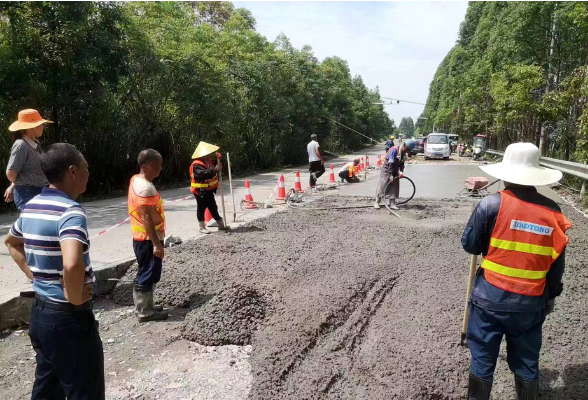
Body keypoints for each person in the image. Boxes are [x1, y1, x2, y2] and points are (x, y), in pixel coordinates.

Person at [461, 143, 571, 400]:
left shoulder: (491, 204)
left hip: (489, 300)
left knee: (483, 357)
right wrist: (550, 297)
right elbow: (556, 264)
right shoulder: (554, 211)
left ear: (505, 173)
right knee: (526, 361)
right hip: (530, 304)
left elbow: (470, 246)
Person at [4, 143, 104, 399]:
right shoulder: (71, 213)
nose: (88, 173)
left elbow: (11, 242)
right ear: (72, 171)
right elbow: (72, 263)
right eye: (86, 168)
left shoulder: (32, 206)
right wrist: (75, 297)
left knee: (48, 391)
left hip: (41, 316)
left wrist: (34, 274)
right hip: (68, 320)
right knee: (85, 392)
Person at [128, 149, 168, 322]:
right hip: (147, 239)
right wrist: (157, 244)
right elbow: (146, 217)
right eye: (160, 164)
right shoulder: (145, 188)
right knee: (148, 273)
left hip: (141, 238)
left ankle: (145, 306)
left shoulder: (136, 180)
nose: (161, 168)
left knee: (144, 270)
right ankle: (145, 311)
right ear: (152, 164)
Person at [5, 109, 51, 210]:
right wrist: (21, 183)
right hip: (28, 194)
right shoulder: (21, 145)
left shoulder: (36, 144)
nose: (43, 127)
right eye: (40, 124)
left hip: (40, 191)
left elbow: (24, 170)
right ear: (32, 127)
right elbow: (11, 173)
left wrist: (13, 185)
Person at [189, 141, 225, 234]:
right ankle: (202, 227)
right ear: (202, 154)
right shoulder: (196, 164)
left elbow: (216, 167)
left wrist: (219, 159)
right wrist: (216, 169)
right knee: (201, 208)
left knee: (213, 207)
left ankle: (221, 224)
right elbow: (204, 174)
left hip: (209, 190)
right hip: (200, 190)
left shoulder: (208, 161)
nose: (209, 155)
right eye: (207, 153)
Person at [375, 139, 415, 210]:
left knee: (394, 185)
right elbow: (391, 163)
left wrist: (401, 172)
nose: (407, 152)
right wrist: (391, 175)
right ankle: (377, 202)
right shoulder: (394, 150)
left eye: (408, 151)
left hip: (395, 169)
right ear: (404, 147)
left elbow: (402, 163)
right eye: (407, 150)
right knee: (383, 184)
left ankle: (392, 203)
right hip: (387, 169)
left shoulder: (403, 153)